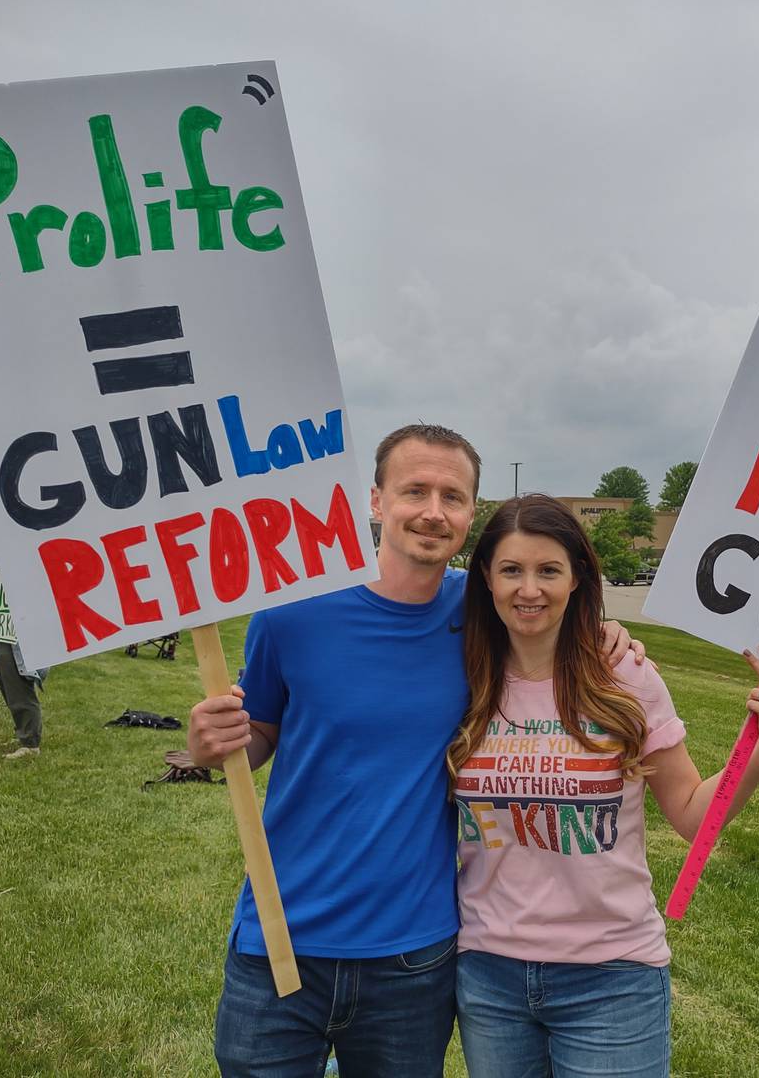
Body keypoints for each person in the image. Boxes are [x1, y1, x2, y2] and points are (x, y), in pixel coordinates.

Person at [188, 425, 644, 1078]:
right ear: (375, 501)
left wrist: (605, 630)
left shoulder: (484, 613)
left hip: (414, 958)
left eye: (452, 497)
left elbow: (551, 612)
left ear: (469, 515)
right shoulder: (291, 611)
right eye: (415, 491)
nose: (433, 510)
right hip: (279, 940)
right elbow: (259, 733)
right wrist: (216, 742)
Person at [450, 495, 759, 1078]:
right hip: (489, 975)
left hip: (612, 976)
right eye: (511, 570)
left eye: (548, 570)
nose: (528, 589)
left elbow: (690, 814)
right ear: (486, 577)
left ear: (579, 578)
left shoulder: (626, 676)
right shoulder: (461, 675)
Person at [0, 534, 48, 759]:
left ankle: (30, 743)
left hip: (18, 635)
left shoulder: (25, 560)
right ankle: (25, 733)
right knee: (7, 685)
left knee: (19, 688)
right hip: (0, 634)